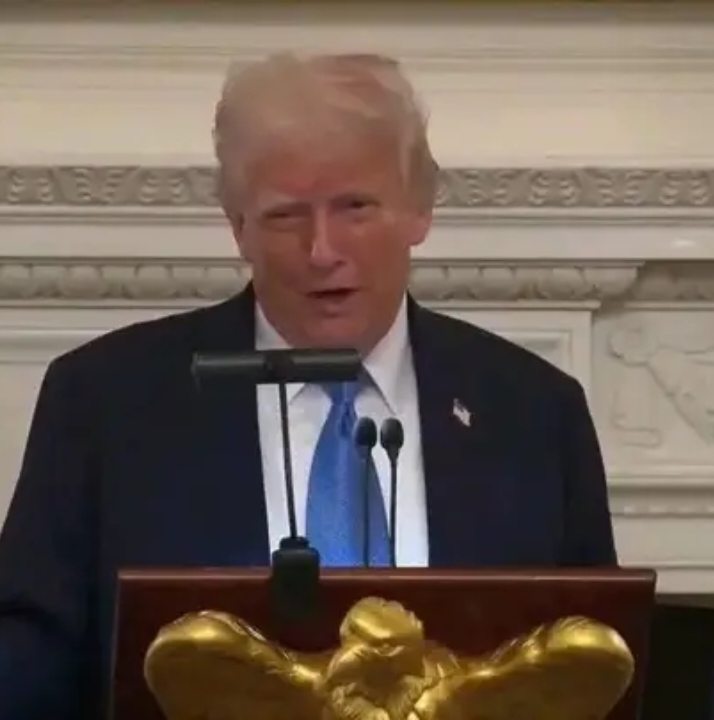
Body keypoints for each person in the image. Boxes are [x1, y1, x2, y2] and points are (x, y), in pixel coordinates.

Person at [0, 52, 616, 719]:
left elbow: (598, 670)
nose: (323, 250)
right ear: (237, 227)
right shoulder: (105, 402)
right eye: (286, 216)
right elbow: (27, 673)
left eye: (355, 207)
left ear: (419, 209)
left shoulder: (535, 413)